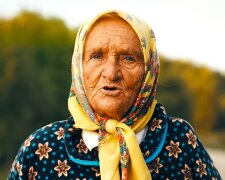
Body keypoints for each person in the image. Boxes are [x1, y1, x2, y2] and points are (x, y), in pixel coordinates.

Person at [8, 10, 221, 180]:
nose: (111, 73)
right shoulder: (40, 148)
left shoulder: (180, 140)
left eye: (128, 58)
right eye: (96, 56)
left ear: (149, 71)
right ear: (78, 67)